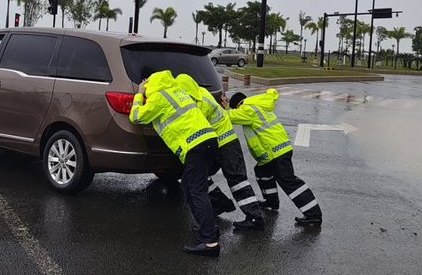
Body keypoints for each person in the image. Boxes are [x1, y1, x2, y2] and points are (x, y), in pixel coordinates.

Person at [130, 70, 220, 257]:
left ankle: (210, 242)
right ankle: (207, 228)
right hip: (208, 141)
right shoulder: (176, 92)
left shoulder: (158, 98)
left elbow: (137, 116)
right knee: (188, 184)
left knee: (196, 190)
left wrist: (139, 94)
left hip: (196, 146)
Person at [176, 74, 264, 231]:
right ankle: (220, 204)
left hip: (225, 144)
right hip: (216, 145)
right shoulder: (202, 93)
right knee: (197, 177)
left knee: (237, 181)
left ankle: (255, 218)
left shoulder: (198, 103)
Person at [222, 89, 323, 225]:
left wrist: (220, 108)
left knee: (289, 182)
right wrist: (227, 107)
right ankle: (271, 201)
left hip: (275, 153)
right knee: (261, 171)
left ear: (238, 106)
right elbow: (234, 114)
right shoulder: (256, 106)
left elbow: (228, 117)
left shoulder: (248, 110)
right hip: (275, 152)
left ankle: (314, 215)